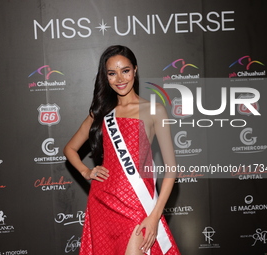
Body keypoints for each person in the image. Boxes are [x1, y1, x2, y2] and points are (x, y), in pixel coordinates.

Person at [64, 45, 180, 255]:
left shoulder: (154, 110)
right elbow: (70, 149)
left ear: (135, 70)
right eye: (112, 73)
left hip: (138, 203)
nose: (119, 78)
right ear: (105, 77)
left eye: (125, 71)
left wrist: (154, 216)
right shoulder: (101, 113)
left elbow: (171, 170)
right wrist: (86, 172)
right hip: (103, 202)